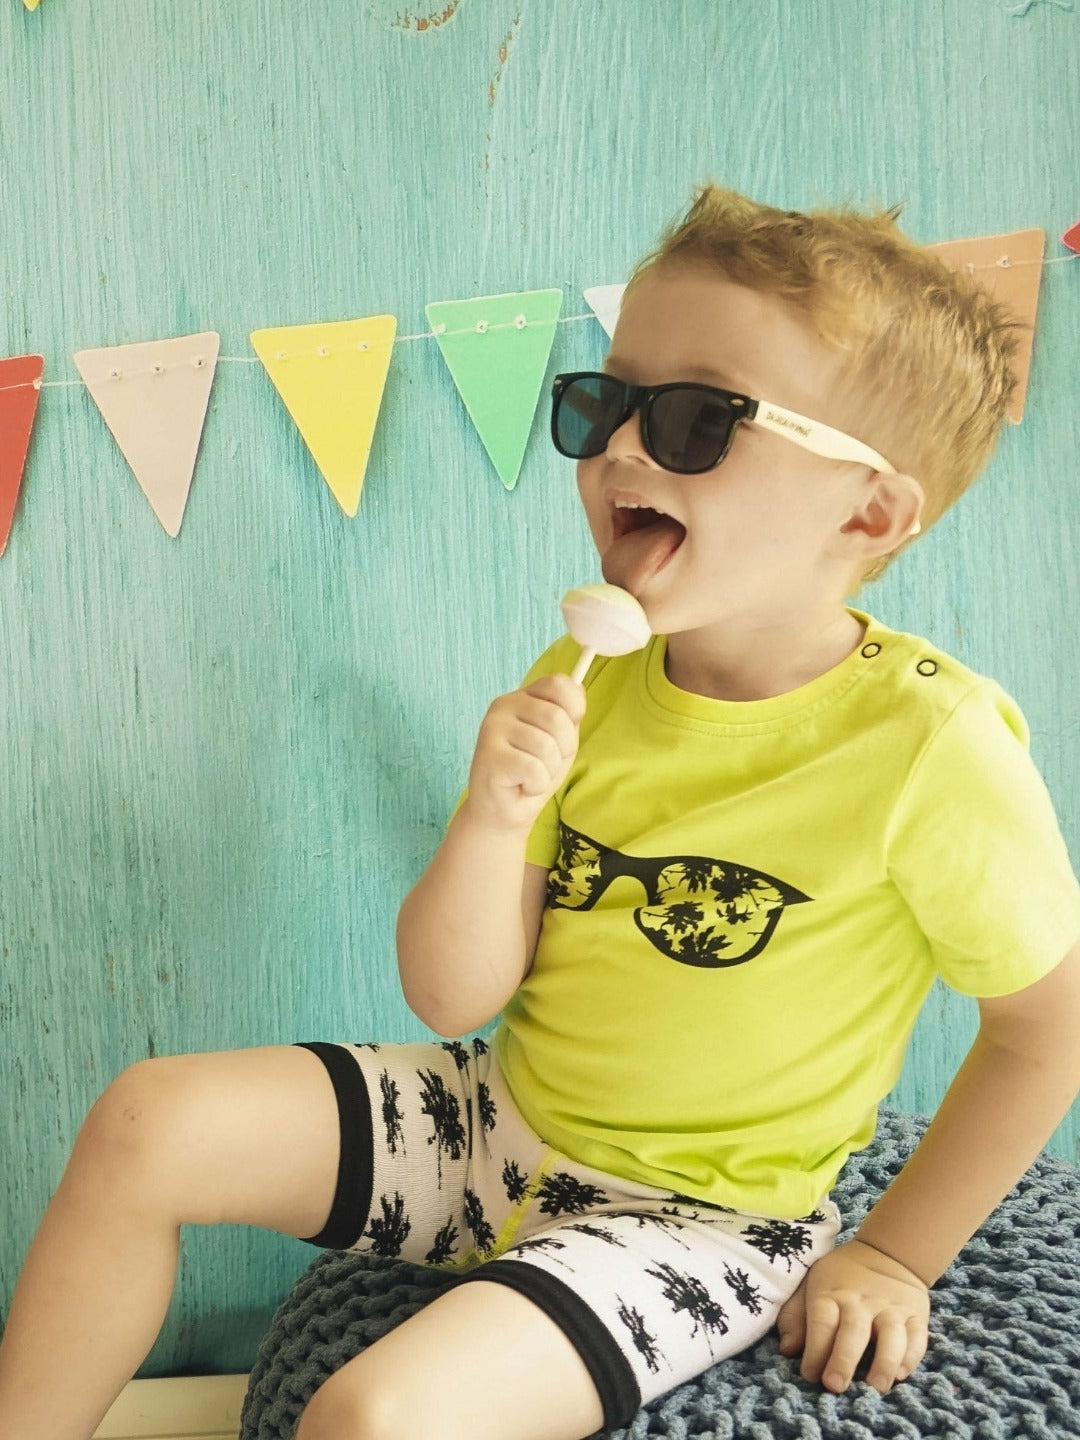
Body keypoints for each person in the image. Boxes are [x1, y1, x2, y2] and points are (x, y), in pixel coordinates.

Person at [3, 183, 1080, 1440]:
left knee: (374, 1414)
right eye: (604, 401)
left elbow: (1044, 1030)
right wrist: (490, 820)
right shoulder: (590, 677)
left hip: (698, 1221)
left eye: (695, 420)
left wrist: (894, 1254)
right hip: (490, 1124)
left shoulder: (931, 746)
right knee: (147, 1119)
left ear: (868, 511)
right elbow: (451, 996)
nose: (620, 448)